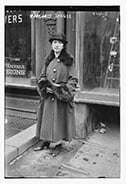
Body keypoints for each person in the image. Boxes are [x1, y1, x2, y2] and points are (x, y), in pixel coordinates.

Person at [34, 32, 78, 157]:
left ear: (63, 46)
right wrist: (45, 87)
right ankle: (45, 141)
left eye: (59, 43)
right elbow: (42, 76)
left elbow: (73, 79)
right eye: (54, 43)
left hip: (60, 98)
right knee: (46, 119)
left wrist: (61, 90)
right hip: (48, 97)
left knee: (59, 121)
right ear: (52, 45)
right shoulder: (48, 60)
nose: (56, 45)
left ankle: (58, 144)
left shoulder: (68, 61)